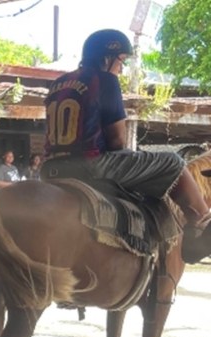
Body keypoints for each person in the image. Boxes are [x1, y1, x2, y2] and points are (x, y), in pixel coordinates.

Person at [41, 29, 211, 263]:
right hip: (91, 165)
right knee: (173, 162)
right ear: (106, 58)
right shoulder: (105, 81)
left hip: (51, 167)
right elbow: (117, 141)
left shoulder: (59, 83)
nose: (121, 68)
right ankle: (202, 223)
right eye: (121, 61)